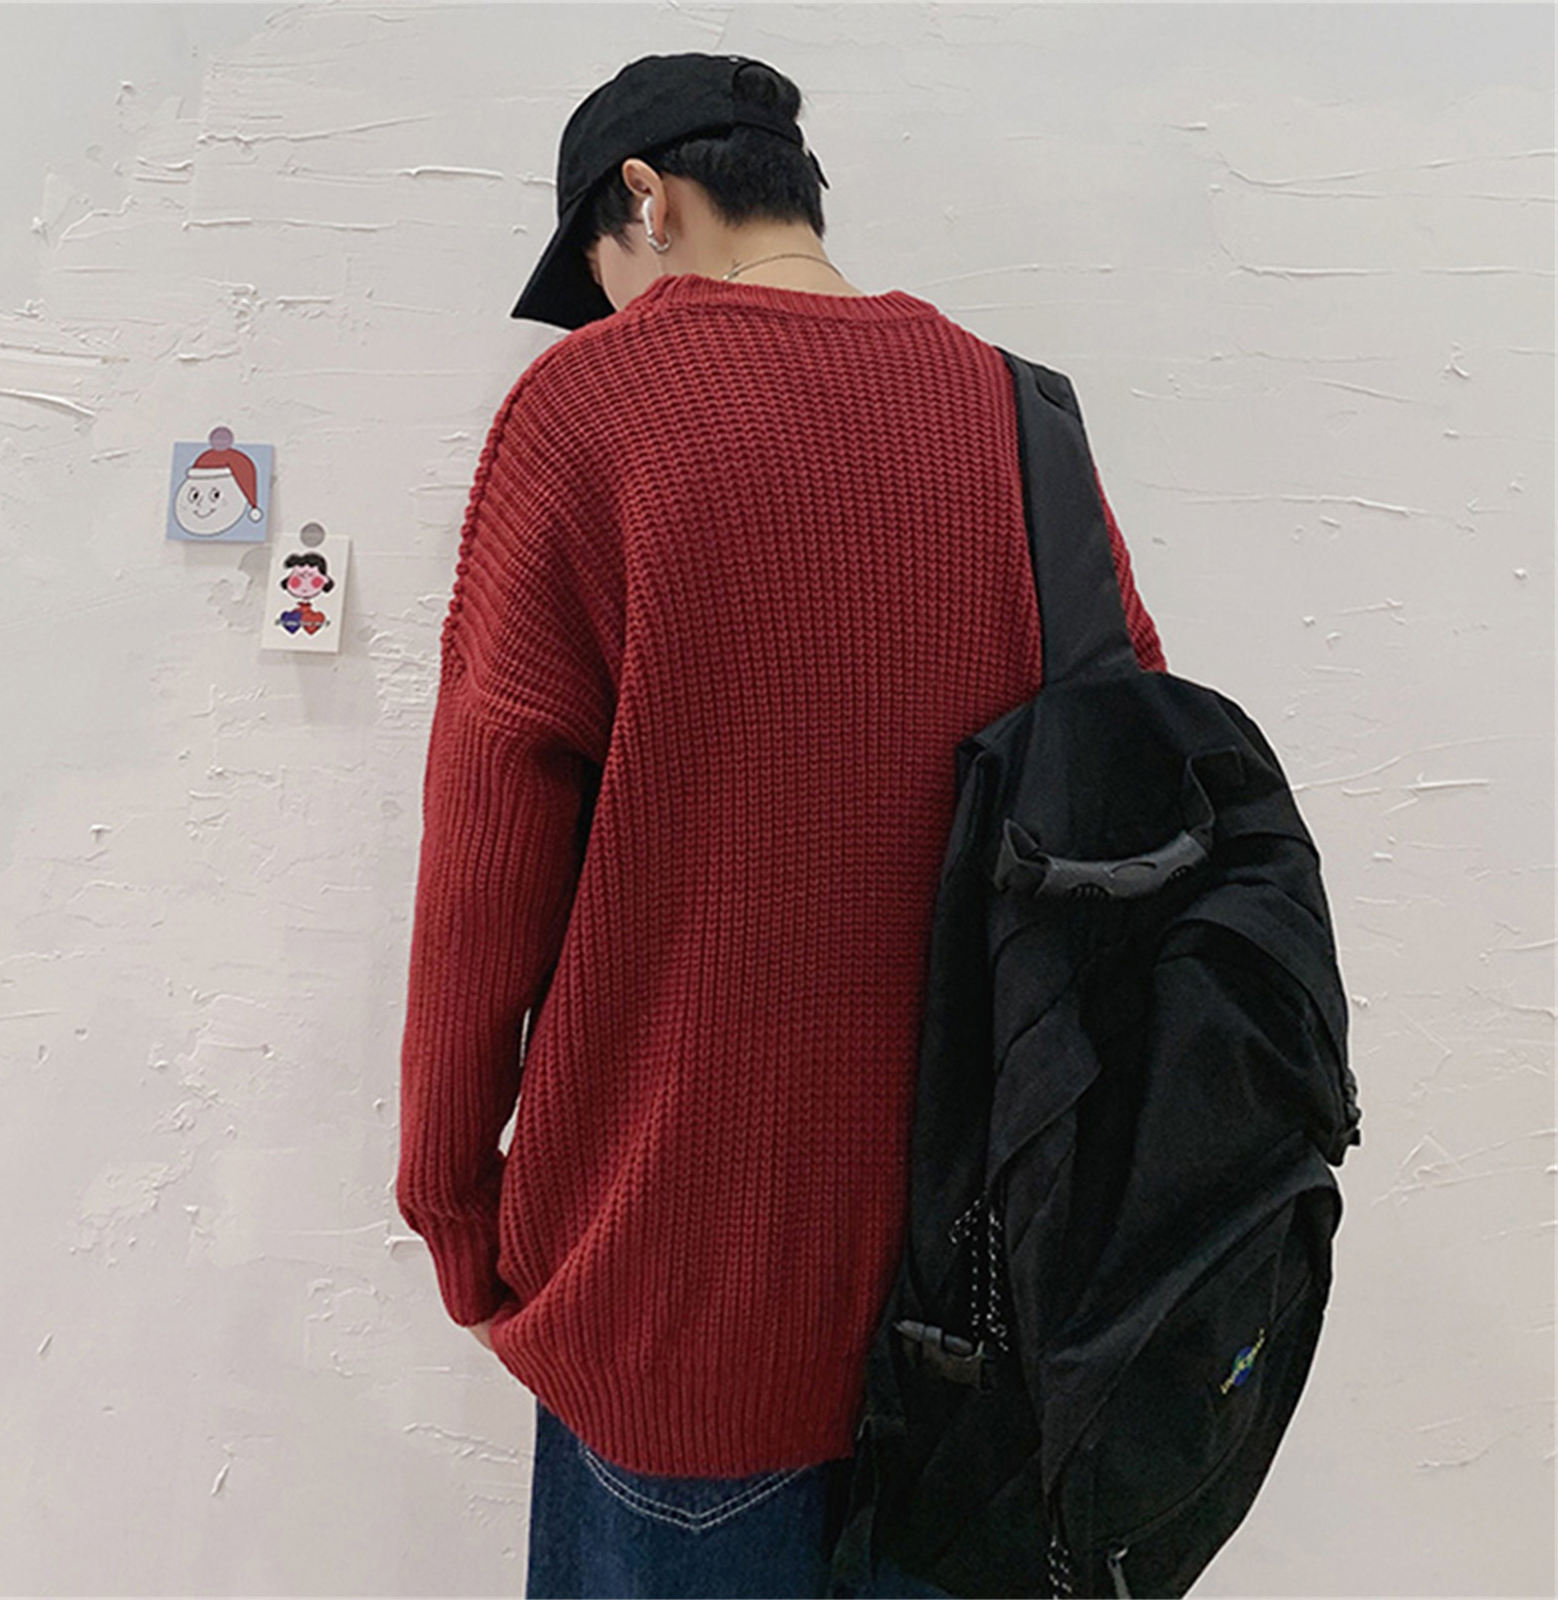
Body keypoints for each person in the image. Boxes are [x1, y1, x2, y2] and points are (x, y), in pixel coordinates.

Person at [395, 50, 1168, 1599]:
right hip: (985, 1324)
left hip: (683, 1316)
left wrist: (454, 1209)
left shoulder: (586, 412)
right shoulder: (1022, 418)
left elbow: (486, 868)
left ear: (645, 198)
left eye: (599, 274)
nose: (613, 311)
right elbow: (1135, 791)